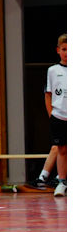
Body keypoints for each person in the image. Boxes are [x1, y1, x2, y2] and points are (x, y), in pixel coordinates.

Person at [44, 34, 66, 196]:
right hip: (59, 117)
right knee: (62, 150)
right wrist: (51, 115)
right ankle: (62, 182)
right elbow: (48, 94)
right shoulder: (52, 70)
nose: (67, 53)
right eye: (64, 49)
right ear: (58, 50)